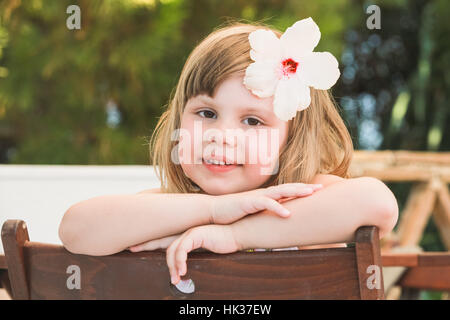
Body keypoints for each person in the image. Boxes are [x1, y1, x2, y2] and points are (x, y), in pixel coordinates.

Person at [58, 18, 398, 286]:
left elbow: (377, 203)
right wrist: (215, 210)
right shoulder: (177, 205)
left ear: (292, 138)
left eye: (252, 121)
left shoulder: (305, 199)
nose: (222, 136)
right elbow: (75, 229)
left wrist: (233, 234)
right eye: (206, 114)